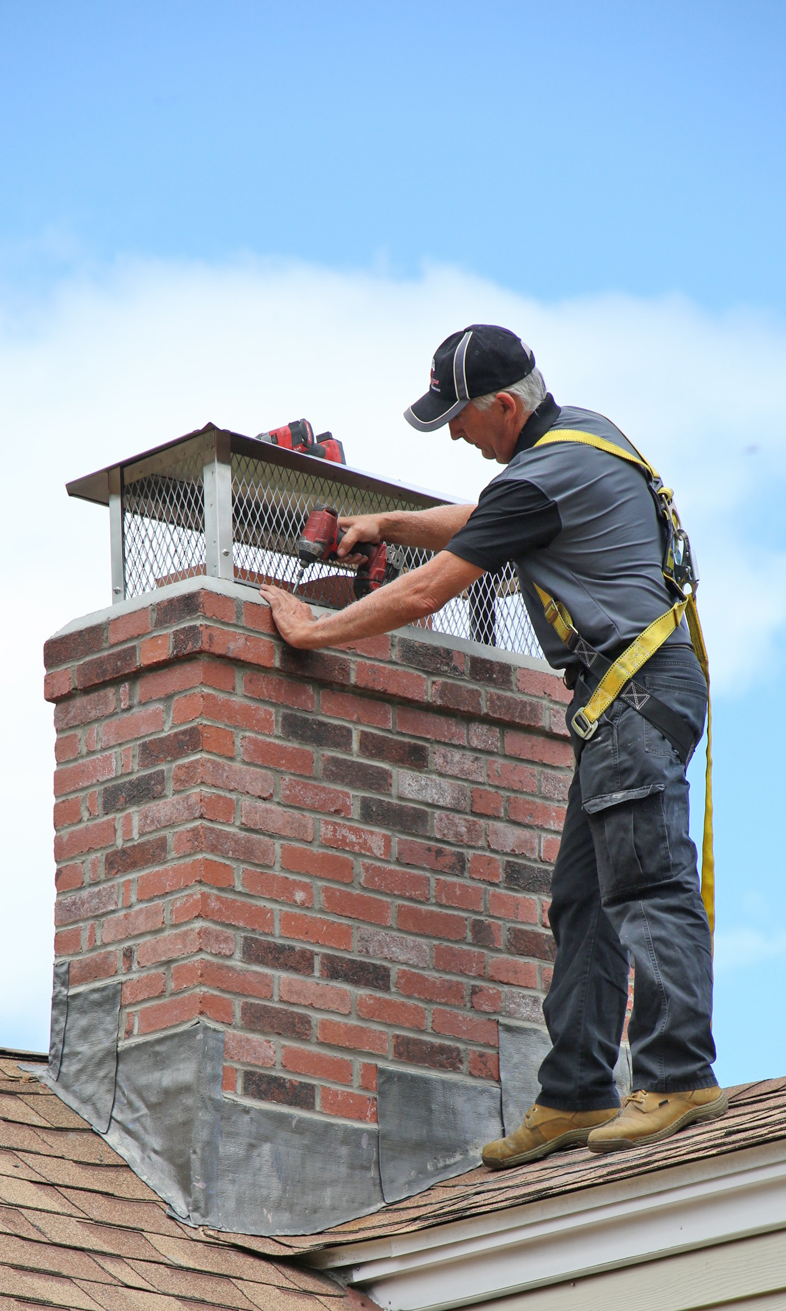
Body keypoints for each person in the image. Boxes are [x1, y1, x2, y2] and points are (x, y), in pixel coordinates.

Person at [260, 324, 726, 1165]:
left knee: (647, 888)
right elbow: (483, 519)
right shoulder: (580, 438)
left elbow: (424, 595)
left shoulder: (545, 471)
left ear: (503, 405)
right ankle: (576, 1095)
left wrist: (315, 630)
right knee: (585, 904)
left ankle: (678, 1077)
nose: (453, 435)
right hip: (630, 697)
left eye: (457, 419)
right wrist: (391, 522)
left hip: (635, 694)